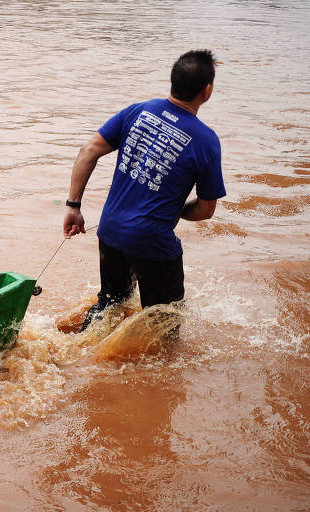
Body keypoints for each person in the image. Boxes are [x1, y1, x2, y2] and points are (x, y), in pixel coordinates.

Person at [63, 50, 226, 331]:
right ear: (207, 91)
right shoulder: (206, 141)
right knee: (165, 323)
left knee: (110, 305)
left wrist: (73, 206)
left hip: (110, 232)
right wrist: (173, 211)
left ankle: (78, 351)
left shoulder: (138, 111)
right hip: (153, 244)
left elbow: (89, 150)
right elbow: (205, 210)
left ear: (172, 81)